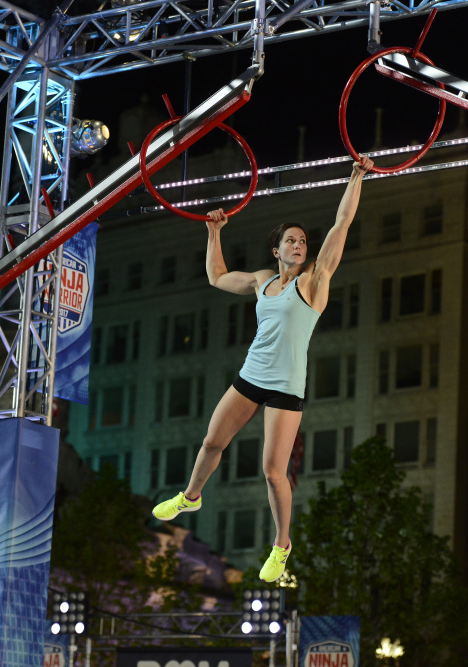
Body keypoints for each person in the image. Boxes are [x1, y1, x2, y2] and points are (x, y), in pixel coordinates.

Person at [152, 154, 375, 582]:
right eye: (291, 241)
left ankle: (281, 545)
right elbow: (217, 277)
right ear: (276, 250)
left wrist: (356, 175)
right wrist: (214, 232)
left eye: (303, 242)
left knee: (273, 472)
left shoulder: (315, 281)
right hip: (250, 377)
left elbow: (341, 223)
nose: (299, 245)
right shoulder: (262, 281)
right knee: (211, 442)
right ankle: (191, 496)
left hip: (287, 387)